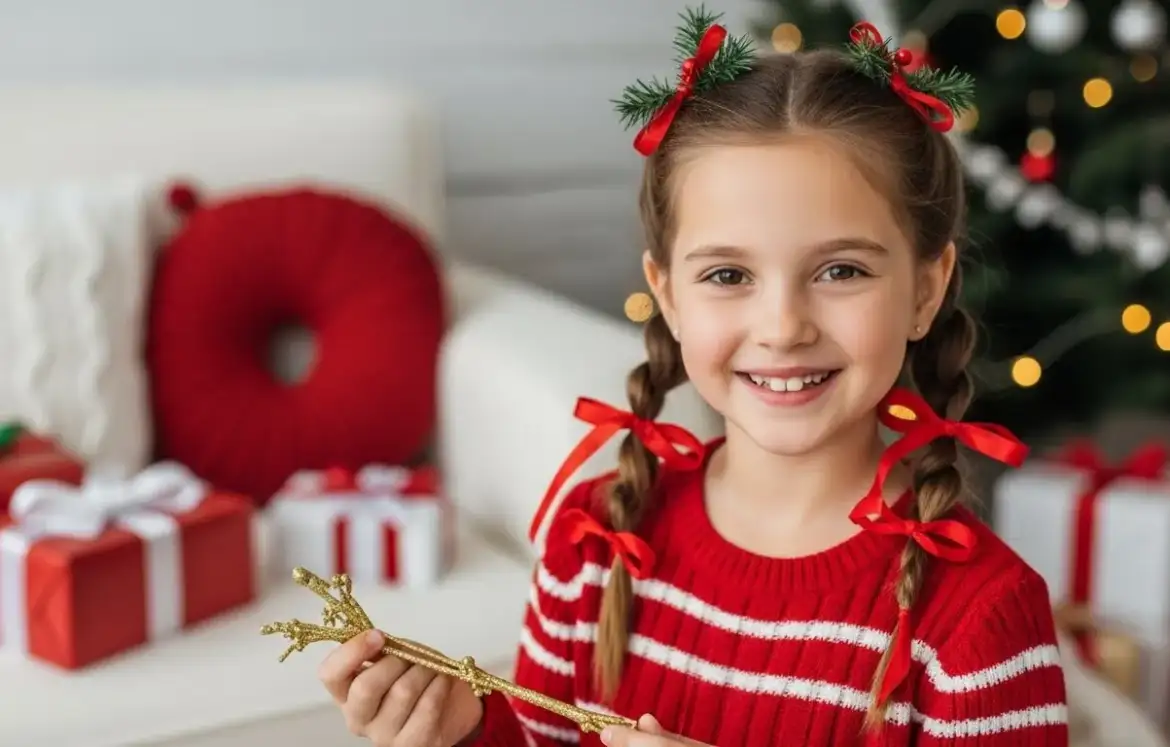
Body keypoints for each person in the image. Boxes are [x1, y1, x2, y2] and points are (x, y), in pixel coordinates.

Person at [317, 10, 1069, 747]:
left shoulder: (980, 620)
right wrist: (468, 733)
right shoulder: (595, 544)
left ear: (927, 289)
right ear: (668, 292)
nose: (782, 325)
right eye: (728, 273)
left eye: (841, 270)